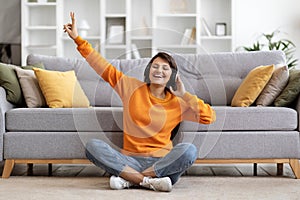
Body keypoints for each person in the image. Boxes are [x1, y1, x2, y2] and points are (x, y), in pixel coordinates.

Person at [63, 12, 216, 192]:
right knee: (92, 146)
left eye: (165, 68)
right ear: (148, 70)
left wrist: (184, 94)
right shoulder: (130, 87)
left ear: (173, 75)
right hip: (130, 160)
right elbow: (102, 67)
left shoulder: (179, 102)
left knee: (188, 150)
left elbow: (209, 117)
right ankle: (148, 181)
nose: (159, 71)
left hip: (162, 162)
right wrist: (78, 40)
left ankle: (129, 179)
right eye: (155, 66)